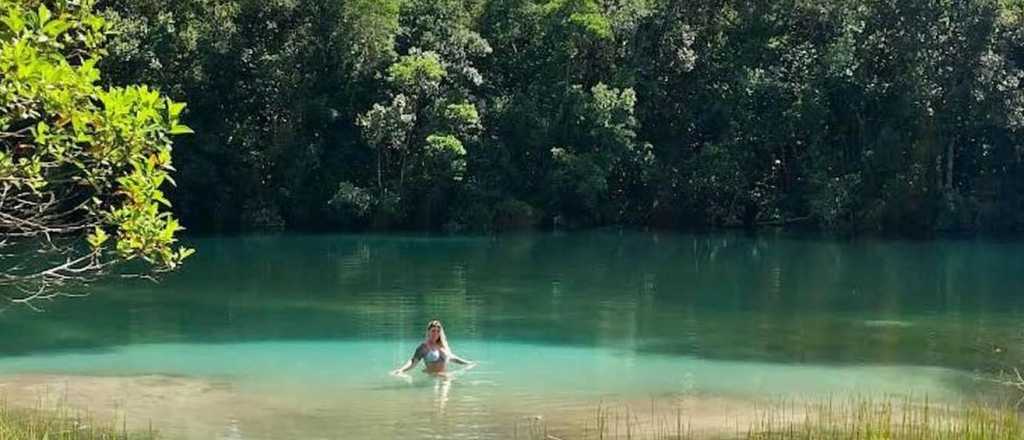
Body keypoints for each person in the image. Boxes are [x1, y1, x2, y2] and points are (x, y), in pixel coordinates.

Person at [391, 320, 475, 376]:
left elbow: (453, 358)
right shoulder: (423, 347)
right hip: (431, 378)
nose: (436, 333)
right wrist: (401, 370)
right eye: (433, 331)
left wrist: (468, 363)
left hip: (444, 376)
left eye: (438, 331)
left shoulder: (443, 346)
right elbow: (413, 362)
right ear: (428, 332)